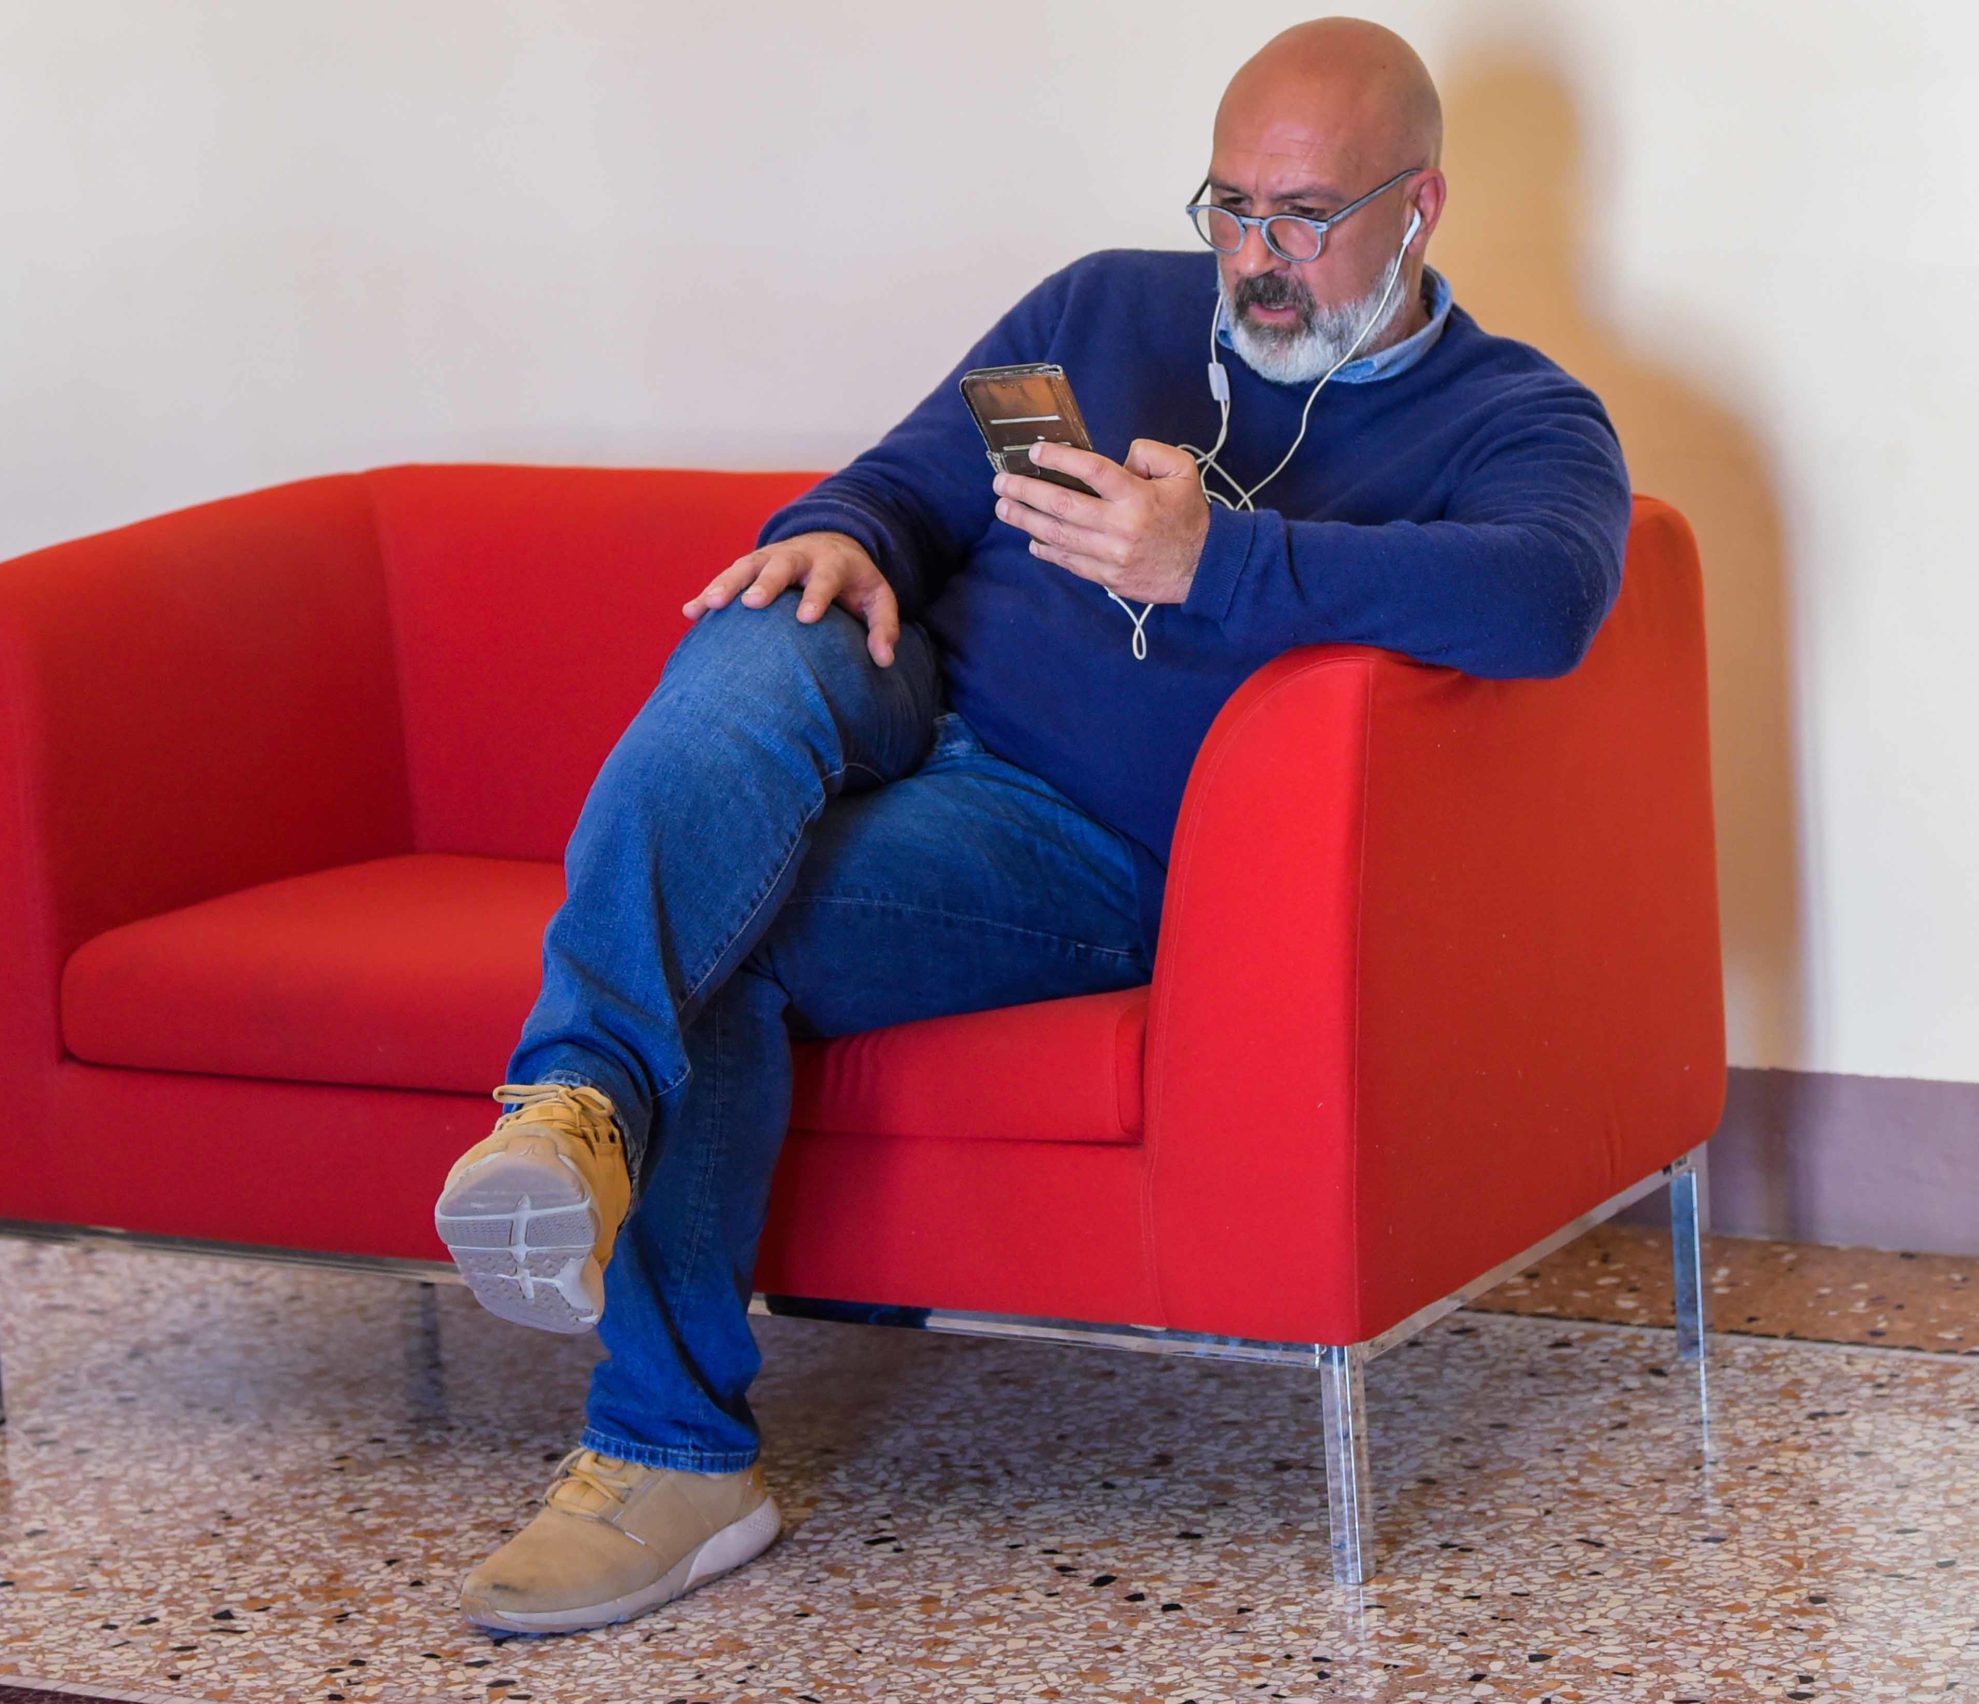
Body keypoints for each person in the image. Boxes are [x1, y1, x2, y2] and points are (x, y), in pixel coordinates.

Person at [436, 14, 1631, 1634]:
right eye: (1230, 207)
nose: (1254, 260)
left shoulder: (1513, 418)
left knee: (727, 920)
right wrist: (842, 534)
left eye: (1303, 219)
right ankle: (570, 1111)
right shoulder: (1103, 309)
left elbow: (1547, 595)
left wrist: (1217, 563)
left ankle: (667, 1452)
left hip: (1078, 847)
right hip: (908, 691)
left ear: (1418, 207)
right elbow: (908, 480)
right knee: (764, 618)